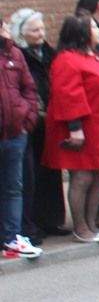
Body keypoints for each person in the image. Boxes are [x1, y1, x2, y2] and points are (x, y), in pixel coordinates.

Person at [44, 15, 99, 243]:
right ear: (82, 33)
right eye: (94, 27)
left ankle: (91, 225)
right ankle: (81, 227)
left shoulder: (92, 58)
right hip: (83, 128)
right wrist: (75, 128)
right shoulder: (67, 60)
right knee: (82, 177)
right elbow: (68, 95)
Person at [11, 10, 66, 242]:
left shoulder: (48, 54)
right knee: (30, 175)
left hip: (48, 121)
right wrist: (32, 115)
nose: (41, 34)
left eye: (42, 29)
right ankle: (33, 222)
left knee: (50, 172)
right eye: (35, 30)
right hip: (32, 121)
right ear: (22, 34)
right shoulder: (21, 55)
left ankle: (51, 218)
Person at [0, 17, 41, 260]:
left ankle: (12, 237)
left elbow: (29, 88)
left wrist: (28, 117)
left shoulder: (13, 53)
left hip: (16, 132)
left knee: (14, 187)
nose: (6, 29)